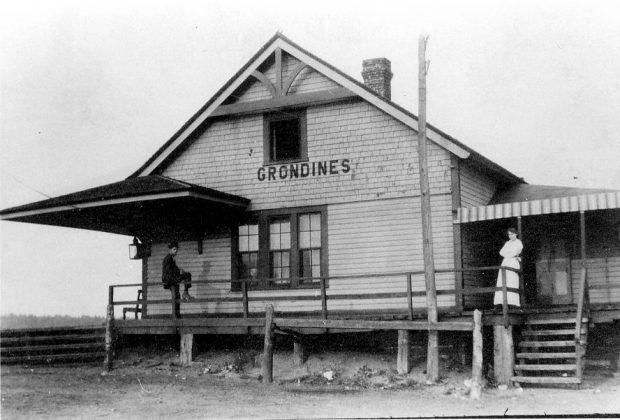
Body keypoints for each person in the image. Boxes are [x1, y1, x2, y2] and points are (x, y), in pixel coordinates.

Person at [162, 241, 194, 318]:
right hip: (169, 279)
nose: (176, 251)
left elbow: (174, 268)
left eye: (176, 249)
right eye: (174, 249)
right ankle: (185, 293)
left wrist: (179, 269)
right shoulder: (168, 258)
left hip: (172, 278)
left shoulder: (171, 258)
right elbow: (168, 270)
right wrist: (178, 271)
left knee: (177, 296)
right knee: (187, 275)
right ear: (170, 250)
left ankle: (177, 315)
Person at [493, 228, 523, 308]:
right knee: (502, 281)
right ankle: (501, 302)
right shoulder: (507, 243)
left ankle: (512, 302)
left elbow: (515, 252)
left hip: (512, 263)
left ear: (516, 234)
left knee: (512, 281)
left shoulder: (518, 243)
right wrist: (508, 254)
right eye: (509, 234)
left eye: (512, 234)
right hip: (505, 262)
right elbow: (501, 252)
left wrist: (509, 254)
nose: (510, 236)